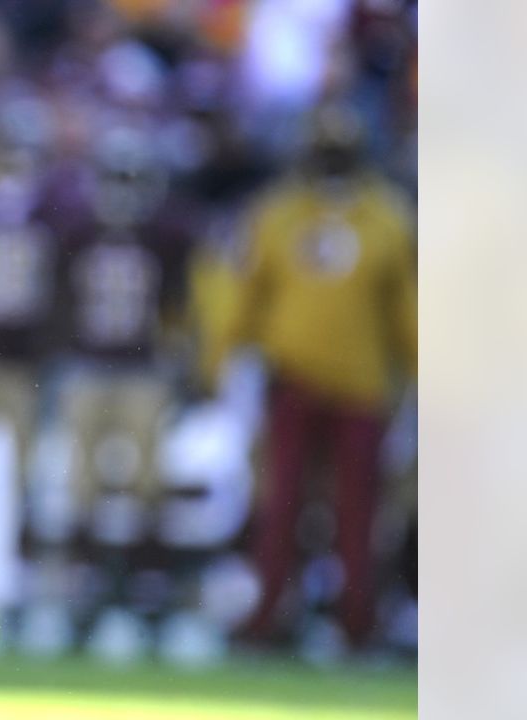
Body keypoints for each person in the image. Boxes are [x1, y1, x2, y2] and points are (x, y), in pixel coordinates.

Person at [229, 103, 416, 650]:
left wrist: (424, 384)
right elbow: (248, 295)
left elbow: (405, 311)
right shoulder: (279, 214)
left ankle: (357, 622)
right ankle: (270, 618)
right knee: (281, 506)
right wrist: (233, 364)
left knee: (357, 513)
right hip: (293, 380)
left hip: (362, 387)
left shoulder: (386, 217)